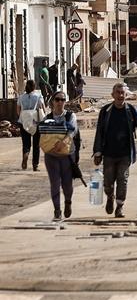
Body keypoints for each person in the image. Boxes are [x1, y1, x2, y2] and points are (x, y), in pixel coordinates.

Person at [92, 83, 137, 218]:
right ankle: (110, 196)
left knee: (122, 180)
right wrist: (97, 152)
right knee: (108, 183)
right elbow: (99, 132)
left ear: (126, 95)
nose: (120, 95)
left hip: (125, 154)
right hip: (109, 154)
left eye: (122, 93)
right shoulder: (106, 111)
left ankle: (119, 206)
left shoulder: (132, 110)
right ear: (112, 95)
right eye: (117, 92)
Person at [41, 91, 78, 220]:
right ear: (53, 101)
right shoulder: (47, 118)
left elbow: (72, 132)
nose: (60, 102)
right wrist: (49, 147)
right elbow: (43, 136)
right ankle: (57, 210)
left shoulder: (70, 116)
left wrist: (62, 143)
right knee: (55, 183)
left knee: (67, 184)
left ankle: (68, 202)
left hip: (67, 155)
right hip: (51, 155)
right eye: (57, 99)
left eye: (62, 100)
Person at [18, 80, 45, 171]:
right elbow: (42, 108)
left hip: (24, 121)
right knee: (36, 144)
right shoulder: (38, 96)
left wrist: (23, 118)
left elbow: (18, 109)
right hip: (35, 121)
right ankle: (35, 165)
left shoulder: (21, 97)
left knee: (26, 143)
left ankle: (26, 154)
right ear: (34, 87)